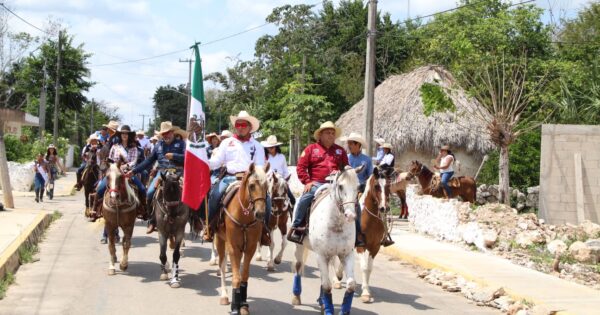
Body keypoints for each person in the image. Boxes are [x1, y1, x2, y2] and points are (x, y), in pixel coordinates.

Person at [287, 121, 366, 247]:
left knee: (354, 203)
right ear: (320, 135)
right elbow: (301, 168)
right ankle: (297, 227)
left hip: (336, 184)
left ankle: (358, 233)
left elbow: (347, 168)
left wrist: (343, 172)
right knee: (305, 198)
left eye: (333, 133)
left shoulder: (340, 151)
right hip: (317, 184)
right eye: (328, 133)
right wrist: (307, 182)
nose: (331, 135)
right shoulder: (310, 149)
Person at [205, 111, 270, 242]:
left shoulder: (257, 146)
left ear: (250, 127)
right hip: (230, 178)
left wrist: (253, 175)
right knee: (214, 196)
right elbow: (216, 162)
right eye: (238, 125)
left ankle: (264, 231)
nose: (240, 127)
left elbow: (259, 166)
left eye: (243, 125)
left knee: (266, 199)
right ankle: (210, 227)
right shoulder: (226, 142)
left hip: (251, 179)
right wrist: (204, 163)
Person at [126, 121, 186, 234]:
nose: (166, 135)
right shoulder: (158, 145)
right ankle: (152, 220)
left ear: (173, 132)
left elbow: (187, 158)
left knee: (189, 193)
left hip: (178, 172)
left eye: (168, 133)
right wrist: (134, 171)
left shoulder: (181, 144)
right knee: (149, 193)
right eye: (164, 134)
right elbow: (149, 161)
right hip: (162, 173)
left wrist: (174, 156)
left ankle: (195, 219)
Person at [262, 135, 295, 206]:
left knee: (292, 198)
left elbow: (285, 170)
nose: (270, 149)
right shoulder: (264, 157)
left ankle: (292, 212)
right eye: (268, 148)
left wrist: (286, 181)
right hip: (269, 180)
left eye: (272, 147)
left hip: (281, 180)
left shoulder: (281, 157)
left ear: (276, 147)